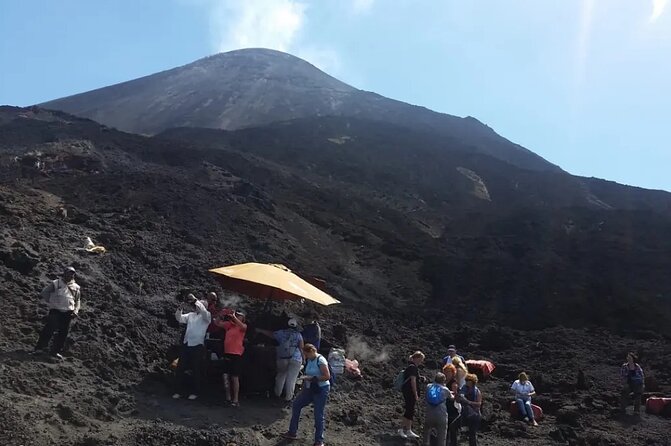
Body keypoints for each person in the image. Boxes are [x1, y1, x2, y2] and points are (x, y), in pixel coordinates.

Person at [282, 344, 330, 446]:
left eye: (306, 354)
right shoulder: (310, 360)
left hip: (321, 389)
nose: (306, 357)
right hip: (309, 389)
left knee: (318, 414)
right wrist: (303, 389)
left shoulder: (320, 360)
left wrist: (312, 378)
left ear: (312, 351)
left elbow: (327, 376)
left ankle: (319, 441)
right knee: (296, 404)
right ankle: (292, 432)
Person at [34, 267, 82, 360]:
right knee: (49, 329)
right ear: (64, 273)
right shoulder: (56, 283)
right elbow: (45, 292)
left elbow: (78, 301)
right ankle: (39, 348)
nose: (70, 275)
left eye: (72, 274)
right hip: (56, 310)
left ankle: (55, 351)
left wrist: (76, 311)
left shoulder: (76, 287)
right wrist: (52, 302)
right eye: (69, 273)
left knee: (63, 333)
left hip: (68, 312)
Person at [172, 294, 211, 400]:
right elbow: (179, 318)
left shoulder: (206, 316)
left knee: (196, 369)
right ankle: (177, 391)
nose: (197, 306)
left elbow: (203, 311)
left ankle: (195, 392)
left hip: (197, 346)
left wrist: (195, 300)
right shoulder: (191, 315)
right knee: (180, 368)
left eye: (200, 305)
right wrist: (180, 309)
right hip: (187, 344)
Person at [258, 318, 304, 402]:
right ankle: (288, 398)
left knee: (280, 376)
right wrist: (304, 359)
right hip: (296, 358)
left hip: (282, 358)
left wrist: (259, 330)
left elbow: (271, 334)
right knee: (291, 379)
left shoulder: (281, 333)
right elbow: (301, 348)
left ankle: (277, 394)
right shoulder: (298, 335)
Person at [215, 309, 247, 406]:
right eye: (236, 314)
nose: (236, 316)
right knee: (225, 376)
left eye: (239, 315)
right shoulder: (229, 325)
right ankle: (228, 398)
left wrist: (234, 317)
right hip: (227, 353)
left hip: (236, 354)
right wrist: (221, 314)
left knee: (234, 377)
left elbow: (242, 326)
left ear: (243, 318)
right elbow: (217, 323)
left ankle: (235, 399)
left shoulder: (243, 327)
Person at [398, 351, 425, 439]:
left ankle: (409, 430)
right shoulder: (413, 368)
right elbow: (413, 381)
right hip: (410, 392)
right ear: (416, 358)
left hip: (408, 392)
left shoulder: (411, 367)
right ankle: (401, 429)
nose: (421, 362)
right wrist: (416, 393)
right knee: (409, 410)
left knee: (411, 410)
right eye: (420, 359)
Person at [422, 372, 453, 446]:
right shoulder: (445, 389)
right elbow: (452, 398)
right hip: (441, 415)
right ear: (444, 380)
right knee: (442, 437)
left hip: (429, 414)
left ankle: (426, 443)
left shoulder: (429, 386)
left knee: (426, 432)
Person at [458, 374, 482, 446]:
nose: (466, 382)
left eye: (467, 380)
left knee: (472, 434)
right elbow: (460, 397)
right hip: (465, 413)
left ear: (472, 382)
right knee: (453, 427)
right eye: (466, 380)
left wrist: (469, 402)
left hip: (474, 414)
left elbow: (479, 403)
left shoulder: (477, 391)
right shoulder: (464, 388)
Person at [442, 364, 461, 446]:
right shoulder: (444, 382)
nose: (447, 373)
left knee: (451, 429)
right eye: (446, 372)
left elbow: (456, 396)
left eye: (449, 372)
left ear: (453, 373)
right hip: (444, 407)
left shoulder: (453, 383)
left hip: (452, 408)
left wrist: (450, 395)